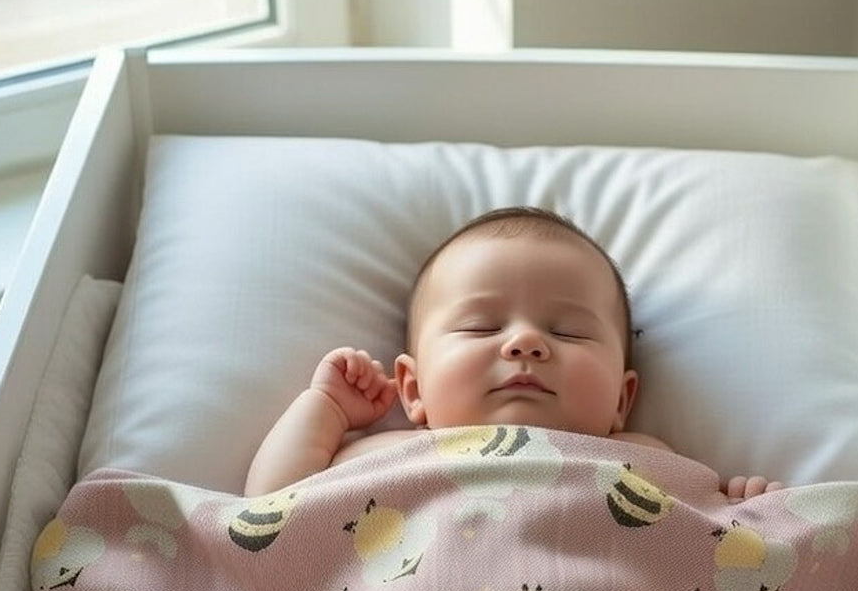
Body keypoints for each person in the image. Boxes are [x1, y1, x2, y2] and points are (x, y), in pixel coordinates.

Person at [244, 207, 781, 500]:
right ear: (413, 388)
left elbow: (711, 548)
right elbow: (269, 510)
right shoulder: (382, 454)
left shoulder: (648, 459)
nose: (525, 343)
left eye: (569, 333)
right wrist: (326, 410)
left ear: (622, 399)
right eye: (481, 326)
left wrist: (750, 511)